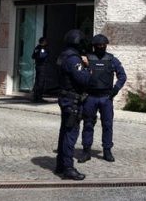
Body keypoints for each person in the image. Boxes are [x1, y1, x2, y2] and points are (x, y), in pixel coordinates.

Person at [77, 34, 127, 163]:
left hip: (106, 97)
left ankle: (107, 150)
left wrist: (115, 90)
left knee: (107, 125)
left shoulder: (111, 59)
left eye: (103, 45)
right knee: (88, 124)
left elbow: (122, 76)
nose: (101, 47)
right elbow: (78, 76)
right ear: (94, 46)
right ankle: (86, 150)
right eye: (98, 45)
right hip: (90, 97)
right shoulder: (87, 59)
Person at [54, 29, 90, 180]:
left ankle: (60, 165)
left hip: (65, 98)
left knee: (64, 132)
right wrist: (88, 68)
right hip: (72, 101)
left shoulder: (63, 55)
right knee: (71, 134)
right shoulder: (74, 59)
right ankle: (68, 168)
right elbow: (84, 79)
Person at [31, 37, 49, 102]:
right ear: (43, 42)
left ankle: (35, 97)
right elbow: (42, 56)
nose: (47, 42)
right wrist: (45, 54)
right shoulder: (42, 48)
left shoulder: (37, 48)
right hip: (42, 66)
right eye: (46, 41)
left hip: (38, 66)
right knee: (41, 82)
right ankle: (39, 97)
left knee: (37, 81)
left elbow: (33, 56)